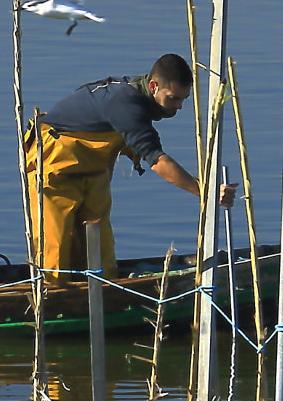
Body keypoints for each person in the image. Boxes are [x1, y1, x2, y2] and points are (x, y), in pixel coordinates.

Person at [25, 54, 234, 279]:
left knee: (100, 252)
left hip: (92, 171)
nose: (180, 106)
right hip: (53, 167)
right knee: (54, 250)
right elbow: (158, 161)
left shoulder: (139, 99)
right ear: (153, 86)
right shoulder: (126, 105)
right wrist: (207, 193)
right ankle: (51, 300)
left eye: (184, 99)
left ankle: (105, 293)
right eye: (174, 98)